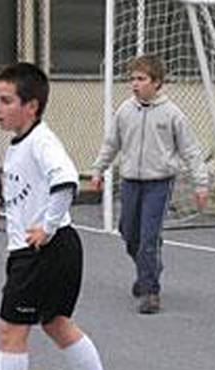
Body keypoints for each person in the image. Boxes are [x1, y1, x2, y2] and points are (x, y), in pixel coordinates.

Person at [0, 62, 127, 370]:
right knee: (57, 324)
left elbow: (66, 182)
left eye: (6, 101)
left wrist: (46, 227)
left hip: (43, 251)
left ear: (31, 106)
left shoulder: (41, 141)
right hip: (46, 249)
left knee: (10, 332)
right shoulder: (21, 142)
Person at [89, 54, 208, 314]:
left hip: (159, 183)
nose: (135, 84)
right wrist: (98, 170)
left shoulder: (172, 114)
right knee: (128, 232)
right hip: (131, 181)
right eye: (133, 79)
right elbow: (112, 144)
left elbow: (191, 151)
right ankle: (149, 268)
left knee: (149, 238)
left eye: (141, 79)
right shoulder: (125, 111)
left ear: (157, 83)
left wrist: (201, 184)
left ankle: (150, 290)